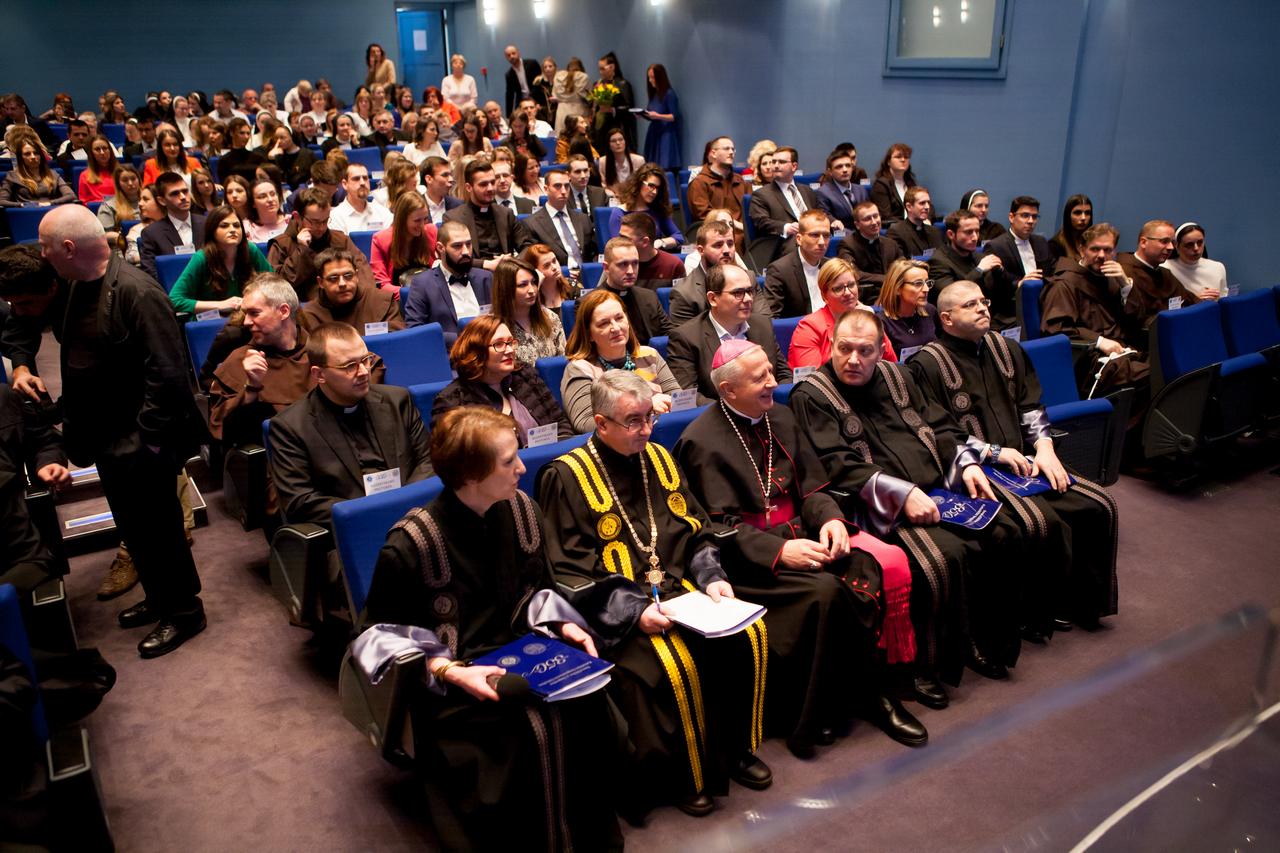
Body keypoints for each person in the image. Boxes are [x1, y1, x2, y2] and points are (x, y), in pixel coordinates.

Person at [360, 405, 623, 850]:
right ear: (470, 475)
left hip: (523, 653)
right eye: (508, 461)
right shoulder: (411, 543)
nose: (522, 467)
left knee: (590, 705)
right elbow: (374, 637)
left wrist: (562, 623)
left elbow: (539, 588)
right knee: (516, 735)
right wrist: (449, 670)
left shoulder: (522, 511)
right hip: (453, 680)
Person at [537, 369, 773, 818]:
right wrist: (634, 612)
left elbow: (696, 529)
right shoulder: (565, 477)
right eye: (633, 421)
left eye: (650, 417)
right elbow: (567, 569)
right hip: (613, 608)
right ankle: (681, 775)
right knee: (667, 664)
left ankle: (731, 752)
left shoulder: (660, 460)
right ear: (601, 423)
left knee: (742, 637)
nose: (646, 429)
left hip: (679, 591)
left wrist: (710, 576)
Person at [675, 340, 927, 755]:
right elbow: (714, 527)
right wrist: (779, 553)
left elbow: (812, 488)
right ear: (728, 390)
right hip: (749, 560)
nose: (773, 383)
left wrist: (829, 519)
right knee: (826, 593)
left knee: (865, 568)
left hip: (803, 536)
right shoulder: (699, 441)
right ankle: (822, 711)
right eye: (759, 378)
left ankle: (864, 695)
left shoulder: (782, 416)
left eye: (770, 372)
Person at [790, 309, 1028, 707]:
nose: (853, 360)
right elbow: (835, 463)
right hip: (876, 506)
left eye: (865, 351)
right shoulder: (812, 395)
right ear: (830, 344)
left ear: (881, 349)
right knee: (945, 557)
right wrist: (902, 494)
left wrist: (966, 463)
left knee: (1005, 532)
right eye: (844, 349)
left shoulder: (899, 377)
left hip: (937, 490)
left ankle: (981, 640)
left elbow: (942, 426)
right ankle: (925, 666)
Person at [0, 209, 208, 658]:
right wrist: (20, 365)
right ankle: (158, 597)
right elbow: (21, 317)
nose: (40, 253)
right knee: (133, 527)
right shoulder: (72, 284)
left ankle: (184, 611)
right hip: (105, 436)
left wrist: (145, 442)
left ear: (67, 249)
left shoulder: (137, 292)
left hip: (143, 440)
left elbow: (168, 377)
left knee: (161, 530)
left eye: (45, 245)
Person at [911, 281, 1120, 632]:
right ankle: (1037, 615)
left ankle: (1083, 603)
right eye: (970, 305)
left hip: (1024, 458)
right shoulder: (927, 365)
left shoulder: (1006, 349)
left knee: (1097, 505)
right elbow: (938, 432)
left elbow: (1030, 405)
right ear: (946, 318)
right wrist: (993, 452)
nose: (982, 308)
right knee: (1041, 521)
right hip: (973, 468)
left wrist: (1045, 448)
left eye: (984, 301)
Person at [269, 322, 428, 532]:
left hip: (413, 518)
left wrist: (404, 505)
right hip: (353, 530)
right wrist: (372, 512)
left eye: (366, 360)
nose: (363, 372)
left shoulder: (397, 401)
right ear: (319, 374)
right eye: (349, 366)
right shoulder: (290, 427)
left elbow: (428, 460)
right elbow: (300, 501)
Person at [208, 274, 328, 452]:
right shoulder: (239, 360)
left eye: (254, 313)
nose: (246, 322)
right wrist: (251, 389)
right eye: (245, 314)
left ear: (284, 311)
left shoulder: (322, 351)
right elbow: (220, 430)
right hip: (274, 457)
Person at [1040, 223, 1151, 396]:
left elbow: (1137, 320)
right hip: (1088, 360)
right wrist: (1099, 341)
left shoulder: (1111, 278)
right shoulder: (1064, 283)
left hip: (1122, 352)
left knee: (1163, 365)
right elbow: (1056, 329)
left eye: (1108, 250)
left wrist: (1125, 285)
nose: (1101, 255)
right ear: (1082, 249)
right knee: (1150, 375)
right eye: (1095, 249)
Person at [431, 314, 572, 445]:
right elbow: (449, 457)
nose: (509, 350)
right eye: (499, 344)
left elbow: (561, 424)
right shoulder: (452, 401)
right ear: (477, 352)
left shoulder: (525, 375)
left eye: (510, 342)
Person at [668, 263, 791, 403]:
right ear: (713, 299)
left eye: (750, 291)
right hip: (718, 414)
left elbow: (784, 375)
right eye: (738, 293)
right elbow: (689, 396)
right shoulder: (686, 337)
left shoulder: (762, 325)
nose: (748, 299)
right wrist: (736, 411)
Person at [560, 289, 679, 432]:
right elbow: (585, 424)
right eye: (604, 323)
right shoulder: (580, 369)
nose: (616, 328)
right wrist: (646, 407)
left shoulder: (649, 355)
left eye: (619, 318)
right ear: (589, 334)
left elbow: (680, 402)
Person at [790, 258, 897, 370]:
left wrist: (872, 323)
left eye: (851, 285)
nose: (847, 293)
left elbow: (891, 365)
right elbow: (811, 377)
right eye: (838, 288)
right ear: (824, 296)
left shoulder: (867, 321)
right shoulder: (809, 328)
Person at [269, 188, 374, 300]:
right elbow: (277, 286)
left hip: (344, 303)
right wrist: (302, 251)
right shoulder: (282, 244)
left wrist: (364, 300)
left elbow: (363, 272)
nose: (321, 228)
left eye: (325, 221)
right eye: (315, 222)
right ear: (297, 217)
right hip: (302, 307)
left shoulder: (340, 240)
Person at [168, 205, 272, 315]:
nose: (232, 230)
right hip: (212, 319)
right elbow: (174, 300)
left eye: (236, 225)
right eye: (224, 226)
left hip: (246, 316)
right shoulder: (202, 258)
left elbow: (274, 284)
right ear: (212, 231)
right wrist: (221, 305)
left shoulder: (250, 250)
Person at [403, 220, 493, 346]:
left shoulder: (485, 278)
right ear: (441, 248)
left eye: (468, 244)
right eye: (457, 246)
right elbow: (415, 329)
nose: (466, 251)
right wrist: (466, 339)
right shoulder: (422, 284)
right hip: (451, 352)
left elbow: (503, 318)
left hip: (492, 348)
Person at [929, 209, 1016, 330]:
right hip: (960, 322)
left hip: (989, 316)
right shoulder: (938, 261)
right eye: (968, 232)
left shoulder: (979, 256)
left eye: (977, 231)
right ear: (951, 234)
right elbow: (952, 296)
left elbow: (1005, 293)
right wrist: (979, 270)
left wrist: (1000, 272)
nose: (975, 237)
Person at [1118, 219, 1199, 341]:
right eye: (1164, 241)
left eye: (1172, 242)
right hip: (1142, 343)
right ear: (1143, 242)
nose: (1171, 247)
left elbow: (1190, 301)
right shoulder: (1123, 272)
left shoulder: (1165, 273)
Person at [442, 158, 529, 270]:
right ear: (469, 187)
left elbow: (527, 246)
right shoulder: (453, 218)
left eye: (492, 182)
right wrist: (485, 264)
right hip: (472, 274)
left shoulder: (506, 213)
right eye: (483, 184)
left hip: (505, 273)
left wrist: (512, 262)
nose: (490, 188)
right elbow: (451, 256)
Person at [301, 248, 403, 334]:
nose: (342, 283)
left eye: (348, 276)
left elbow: (398, 341)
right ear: (320, 282)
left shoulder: (382, 299)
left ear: (357, 276)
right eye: (333, 278)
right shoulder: (310, 314)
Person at [748, 146, 822, 264]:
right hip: (783, 243)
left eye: (781, 162)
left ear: (794, 166)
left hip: (813, 237)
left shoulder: (807, 191)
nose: (776, 166)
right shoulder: (761, 195)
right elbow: (761, 222)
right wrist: (786, 227)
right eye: (774, 162)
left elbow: (819, 214)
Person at [489, 256, 566, 363]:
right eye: (523, 285)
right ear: (506, 289)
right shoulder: (493, 328)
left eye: (533, 282)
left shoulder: (550, 317)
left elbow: (563, 360)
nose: (532, 290)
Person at [596, 236, 670, 344]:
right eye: (623, 264)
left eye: (635, 263)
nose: (630, 271)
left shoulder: (649, 296)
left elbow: (669, 335)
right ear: (606, 268)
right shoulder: (589, 303)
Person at [762, 209, 833, 319]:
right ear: (799, 239)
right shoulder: (779, 270)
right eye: (815, 235)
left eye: (826, 235)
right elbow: (772, 319)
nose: (822, 242)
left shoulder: (831, 266)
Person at [985, 196, 1055, 305]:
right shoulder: (996, 246)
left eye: (1034, 217)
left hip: (1043, 300)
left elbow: (1052, 270)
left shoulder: (1041, 242)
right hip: (1012, 304)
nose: (1031, 221)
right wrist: (1020, 283)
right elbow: (996, 285)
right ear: (1011, 217)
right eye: (1025, 215)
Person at [138, 172, 207, 282]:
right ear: (162, 201)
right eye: (175, 194)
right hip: (171, 289)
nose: (183, 197)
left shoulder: (207, 224)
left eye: (185, 191)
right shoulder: (151, 233)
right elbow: (151, 274)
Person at [520, 167, 596, 268]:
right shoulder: (532, 224)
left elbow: (593, 252)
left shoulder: (583, 219)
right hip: (557, 274)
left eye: (567, 186)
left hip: (585, 273)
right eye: (557, 186)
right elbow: (535, 260)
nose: (563, 191)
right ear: (546, 189)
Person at [670, 219, 739, 325]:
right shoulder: (684, 293)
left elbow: (761, 321)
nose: (726, 250)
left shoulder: (749, 279)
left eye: (730, 244)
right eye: (718, 245)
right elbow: (685, 334)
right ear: (701, 250)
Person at [370, 191, 438, 292]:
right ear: (402, 220)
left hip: (430, 294)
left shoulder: (431, 231)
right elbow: (382, 284)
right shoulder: (380, 240)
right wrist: (411, 294)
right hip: (399, 298)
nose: (422, 226)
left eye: (425, 219)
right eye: (417, 221)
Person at [837, 201, 903, 302]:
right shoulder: (848, 244)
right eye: (867, 219)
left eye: (876, 216)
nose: (874, 222)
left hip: (893, 293)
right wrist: (886, 279)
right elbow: (853, 273)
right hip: (866, 297)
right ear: (857, 225)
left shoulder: (890, 243)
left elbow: (903, 266)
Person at [875, 259, 940, 359]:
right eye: (918, 284)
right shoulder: (881, 323)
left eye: (927, 283)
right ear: (897, 288)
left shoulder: (930, 311)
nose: (926, 289)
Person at [610, 164, 684, 250]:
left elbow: (678, 237)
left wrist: (661, 242)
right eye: (651, 186)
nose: (654, 192)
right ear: (639, 183)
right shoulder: (619, 212)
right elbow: (617, 247)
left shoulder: (657, 210)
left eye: (657, 188)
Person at [688, 136, 747, 242]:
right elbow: (703, 214)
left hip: (743, 230)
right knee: (735, 239)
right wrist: (733, 224)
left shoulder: (740, 180)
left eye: (733, 149)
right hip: (716, 230)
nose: (731, 152)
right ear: (713, 153)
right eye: (726, 149)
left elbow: (749, 209)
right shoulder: (700, 182)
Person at [0, 135, 75, 208]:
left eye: (36, 153)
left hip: (51, 211)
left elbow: (70, 195)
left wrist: (50, 203)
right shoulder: (12, 176)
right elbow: (2, 201)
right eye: (27, 154)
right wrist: (21, 205)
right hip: (26, 212)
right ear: (20, 158)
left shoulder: (52, 174)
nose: (33, 157)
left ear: (41, 156)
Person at [1162, 222, 1226, 300]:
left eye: (1200, 242)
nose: (1196, 248)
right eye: (1189, 244)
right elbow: (1162, 304)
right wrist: (1194, 300)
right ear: (1176, 246)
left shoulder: (1217, 267)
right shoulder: (1164, 269)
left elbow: (1225, 298)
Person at [816, 147, 870, 232]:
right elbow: (824, 215)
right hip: (844, 235)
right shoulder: (823, 192)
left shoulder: (861, 190)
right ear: (830, 172)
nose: (845, 170)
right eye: (839, 167)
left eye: (848, 166)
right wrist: (833, 221)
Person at [619, 212, 685, 282]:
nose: (619, 241)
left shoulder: (673, 266)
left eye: (625, 238)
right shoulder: (617, 264)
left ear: (645, 242)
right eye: (620, 236)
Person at [328, 162, 393, 234]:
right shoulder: (335, 216)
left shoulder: (382, 212)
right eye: (356, 179)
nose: (362, 183)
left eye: (365, 178)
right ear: (345, 184)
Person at [591, 51, 636, 152]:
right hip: (600, 132)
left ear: (612, 67)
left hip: (617, 128)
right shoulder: (597, 84)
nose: (600, 72)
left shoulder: (622, 84)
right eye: (599, 69)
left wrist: (612, 110)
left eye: (603, 69)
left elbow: (629, 108)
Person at [522, 242, 578, 320]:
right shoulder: (530, 296)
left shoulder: (573, 286)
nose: (554, 267)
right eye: (547, 265)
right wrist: (537, 285)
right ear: (535, 272)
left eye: (554, 261)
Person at [640, 63, 682, 169]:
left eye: (653, 77)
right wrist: (643, 114)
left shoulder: (669, 94)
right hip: (654, 132)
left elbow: (674, 116)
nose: (650, 80)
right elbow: (651, 113)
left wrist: (658, 116)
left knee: (664, 165)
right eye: (649, 77)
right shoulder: (654, 94)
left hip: (666, 134)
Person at [886, 187, 942, 259]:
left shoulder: (934, 231)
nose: (927, 207)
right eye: (922, 203)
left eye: (928, 203)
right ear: (909, 207)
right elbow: (900, 263)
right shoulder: (896, 232)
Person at [869, 143, 917, 224]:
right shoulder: (881, 185)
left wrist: (927, 219)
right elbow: (885, 215)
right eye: (898, 157)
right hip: (895, 228)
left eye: (906, 157)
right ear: (888, 162)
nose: (903, 160)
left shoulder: (911, 183)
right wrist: (909, 225)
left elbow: (927, 205)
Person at [97, 164, 142, 248]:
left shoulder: (150, 201)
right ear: (118, 184)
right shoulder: (108, 206)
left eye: (133, 179)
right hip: (123, 248)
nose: (130, 183)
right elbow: (103, 234)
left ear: (139, 179)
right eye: (125, 180)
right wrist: (122, 238)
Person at [216, 118, 266, 186]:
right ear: (232, 133)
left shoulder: (258, 158)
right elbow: (224, 183)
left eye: (248, 133)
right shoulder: (224, 160)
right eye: (242, 133)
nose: (246, 137)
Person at [597, 127, 645, 197]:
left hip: (634, 197)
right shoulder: (603, 161)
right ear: (609, 145)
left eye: (621, 139)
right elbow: (603, 185)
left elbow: (643, 183)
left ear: (625, 142)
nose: (618, 143)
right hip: (613, 197)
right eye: (613, 141)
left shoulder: (639, 160)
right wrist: (612, 195)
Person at [419, 155, 463, 226]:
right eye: (445, 175)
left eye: (451, 175)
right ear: (429, 179)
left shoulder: (459, 205)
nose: (451, 179)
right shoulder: (415, 207)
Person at [1050, 194, 1093, 265]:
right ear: (1068, 215)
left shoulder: (1094, 242)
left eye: (1087, 213)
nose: (1083, 218)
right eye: (1077, 213)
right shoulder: (1055, 245)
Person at [553, 57, 592, 135]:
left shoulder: (558, 77)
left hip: (562, 111)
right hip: (579, 111)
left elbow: (554, 95)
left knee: (562, 136)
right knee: (579, 136)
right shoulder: (583, 77)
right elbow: (589, 97)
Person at [503, 45, 544, 117]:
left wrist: (533, 98)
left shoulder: (532, 64)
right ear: (506, 58)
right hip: (522, 102)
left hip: (538, 99)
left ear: (518, 53)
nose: (511, 56)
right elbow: (509, 94)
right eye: (508, 55)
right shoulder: (509, 74)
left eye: (513, 53)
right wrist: (508, 115)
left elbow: (540, 82)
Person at [243, 178, 289, 243]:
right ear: (253, 203)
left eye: (273, 194)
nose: (270, 199)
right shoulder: (246, 227)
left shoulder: (292, 220)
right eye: (262, 196)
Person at [76, 134, 117, 204]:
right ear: (91, 153)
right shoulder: (85, 176)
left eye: (105, 148)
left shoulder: (121, 172)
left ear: (110, 150)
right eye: (97, 149)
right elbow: (83, 202)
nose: (102, 152)